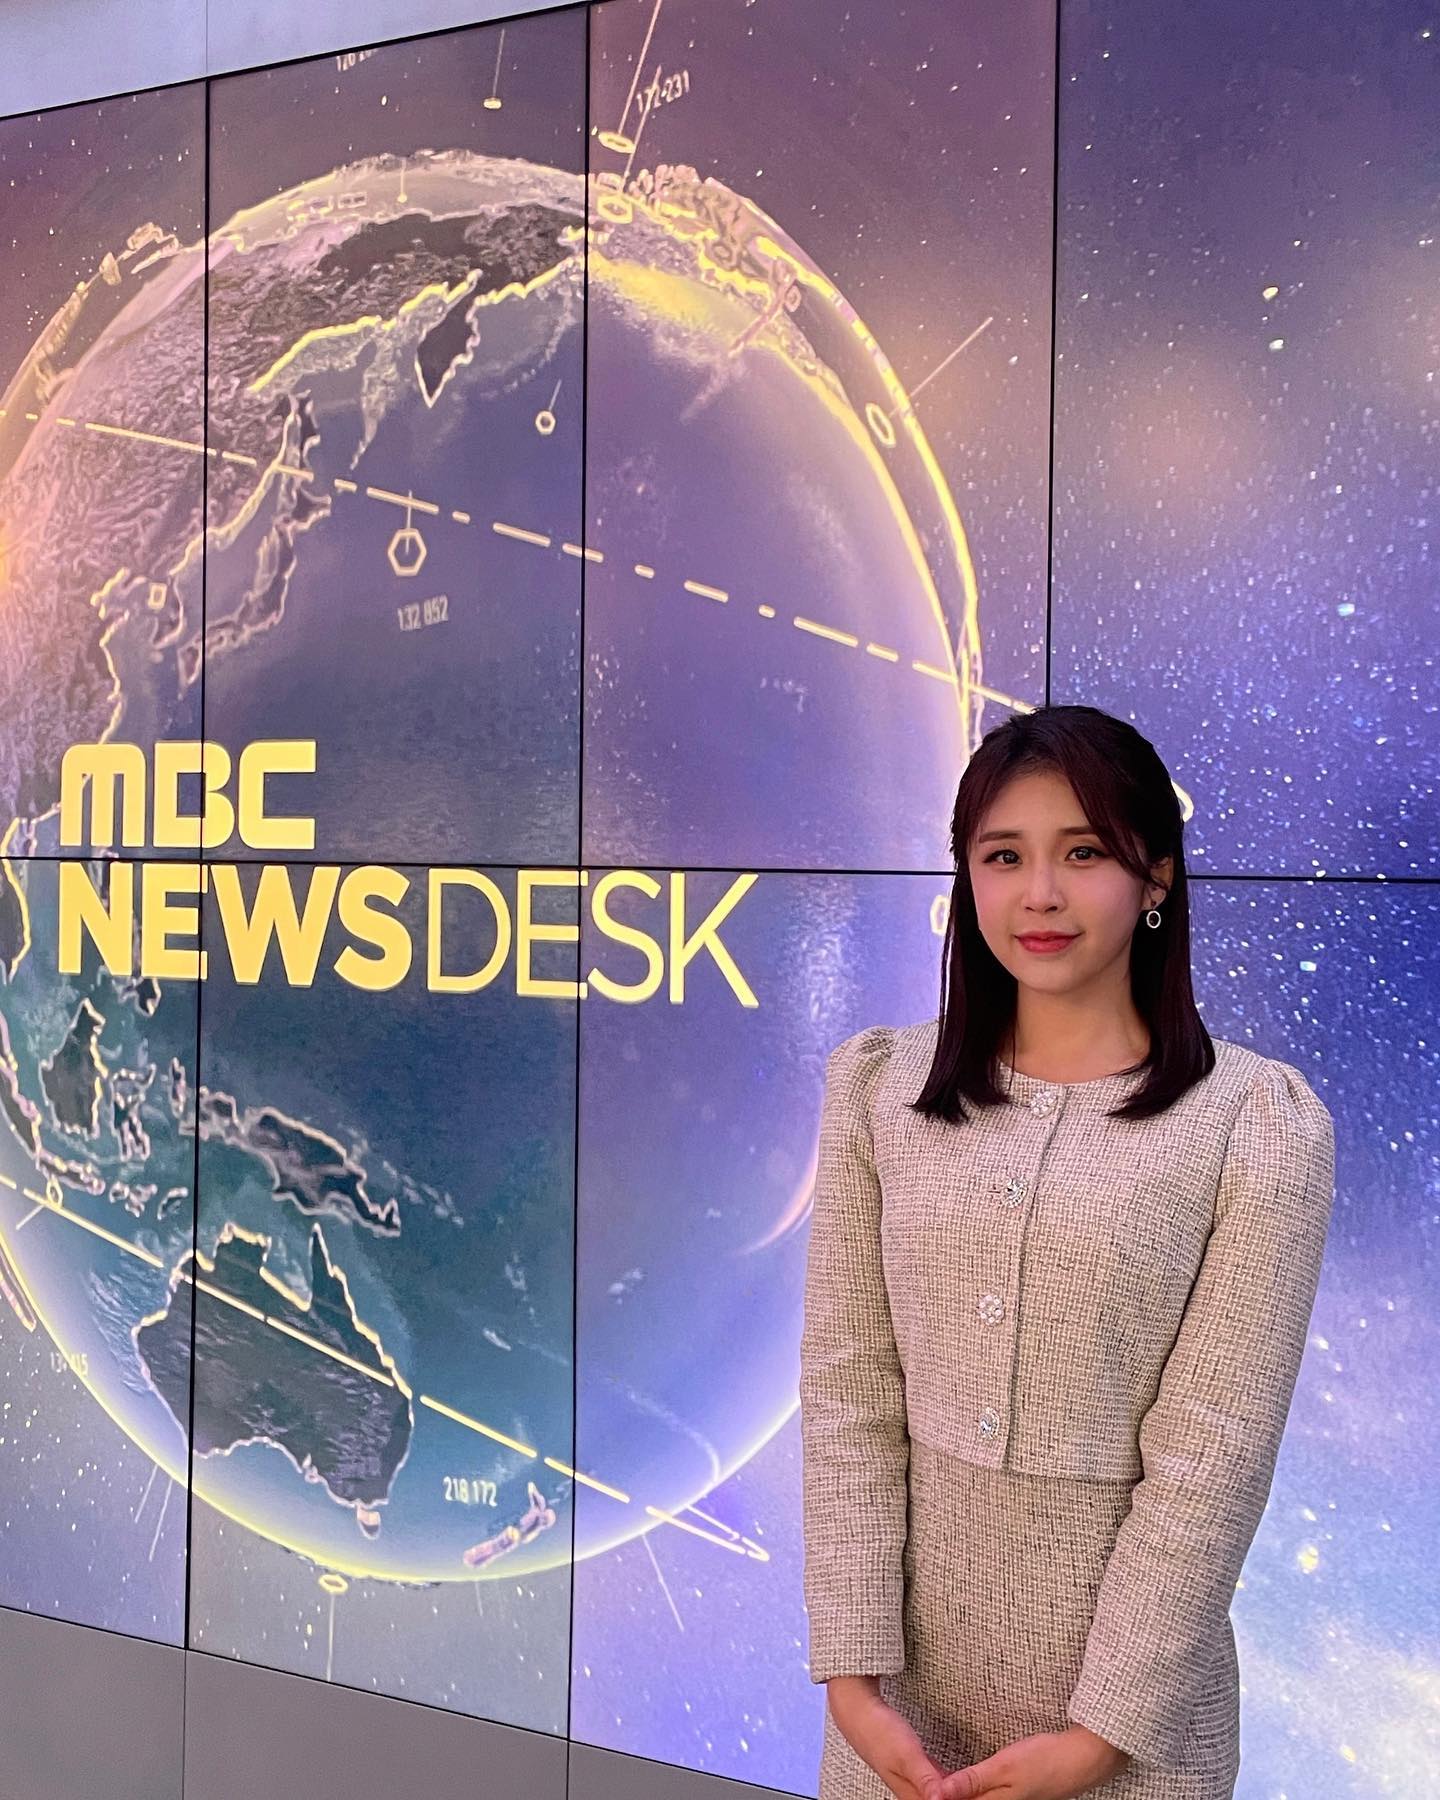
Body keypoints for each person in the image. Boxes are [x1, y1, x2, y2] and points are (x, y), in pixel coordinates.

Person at [799, 705, 1336, 1800]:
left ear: (1156, 876)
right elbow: (849, 1393)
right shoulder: (879, 1090)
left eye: (1083, 853)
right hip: (894, 1726)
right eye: (1004, 857)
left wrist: (1099, 1737)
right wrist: (852, 1682)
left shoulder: (1256, 1124)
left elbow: (1213, 1458)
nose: (1038, 894)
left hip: (1133, 1738)